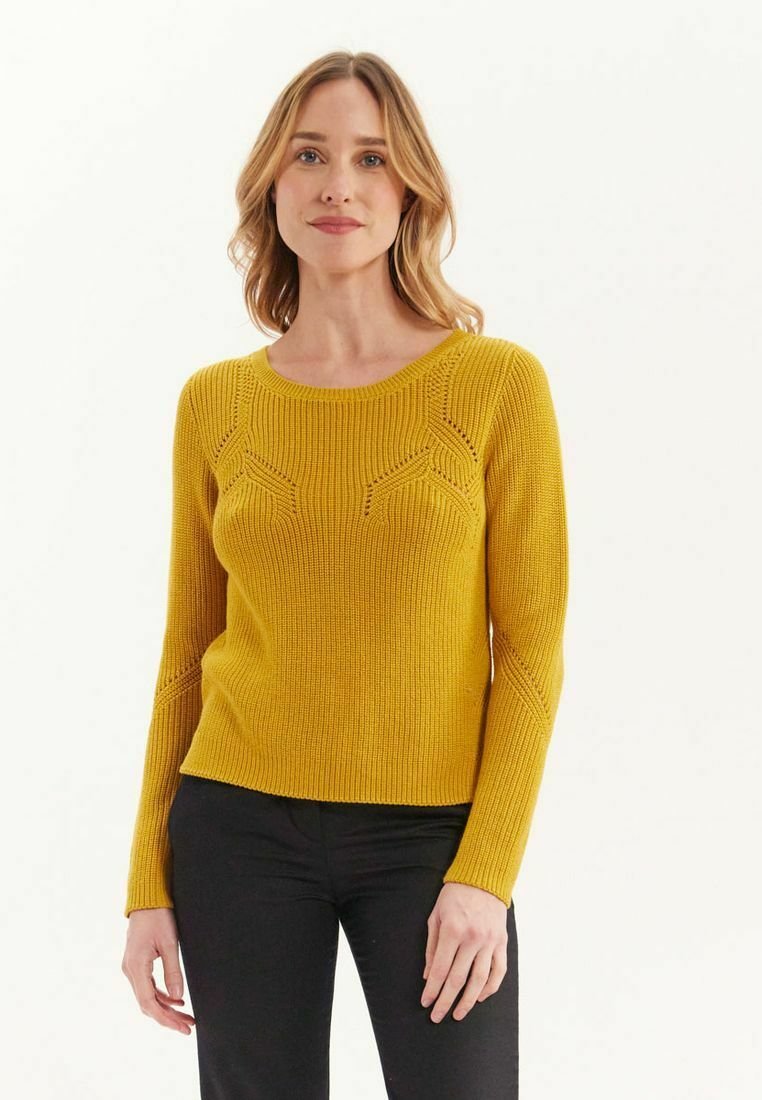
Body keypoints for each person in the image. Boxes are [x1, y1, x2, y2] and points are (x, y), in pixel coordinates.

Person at [121, 49, 568, 1100]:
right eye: (309, 155)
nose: (338, 185)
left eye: (371, 158)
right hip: (236, 825)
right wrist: (148, 881)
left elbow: (531, 648)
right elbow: (187, 651)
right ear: (271, 184)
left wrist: (486, 873)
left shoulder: (497, 385)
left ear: (410, 189)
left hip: (432, 837)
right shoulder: (215, 402)